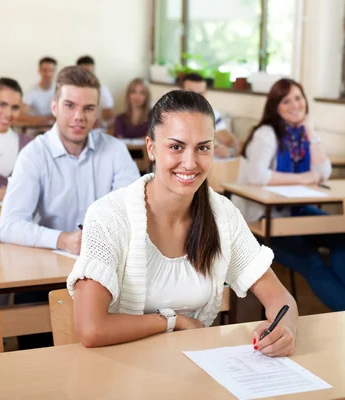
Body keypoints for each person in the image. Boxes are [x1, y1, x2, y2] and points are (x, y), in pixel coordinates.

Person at [67, 90, 298, 353]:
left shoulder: (223, 214)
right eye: (176, 147)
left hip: (195, 369)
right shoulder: (108, 216)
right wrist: (170, 321)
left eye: (203, 148)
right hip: (121, 370)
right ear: (151, 148)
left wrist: (286, 328)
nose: (190, 163)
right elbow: (91, 329)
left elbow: (282, 299)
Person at [0, 66, 139, 349]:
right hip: (46, 276)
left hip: (107, 270)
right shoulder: (33, 155)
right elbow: (9, 225)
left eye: (89, 108)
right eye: (70, 106)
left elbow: (135, 210)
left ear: (98, 111)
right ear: (54, 107)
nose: (79, 116)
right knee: (41, 360)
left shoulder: (114, 150)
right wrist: (63, 239)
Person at [232, 78, 345, 318]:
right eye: (286, 101)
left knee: (342, 239)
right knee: (313, 262)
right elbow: (258, 176)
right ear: (275, 106)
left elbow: (323, 173)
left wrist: (310, 131)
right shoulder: (267, 134)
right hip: (260, 220)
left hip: (293, 211)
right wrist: (301, 178)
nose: (295, 105)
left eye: (298, 98)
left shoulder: (302, 134)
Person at [182, 73, 240, 159]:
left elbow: (231, 141)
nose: (196, 98)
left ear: (206, 93)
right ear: (181, 91)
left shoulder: (211, 114)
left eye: (200, 94)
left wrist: (230, 151)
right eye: (191, 93)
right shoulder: (168, 113)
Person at [76, 55, 114, 127]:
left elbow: (110, 118)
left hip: (95, 131)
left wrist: (102, 123)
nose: (87, 76)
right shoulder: (71, 90)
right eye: (84, 72)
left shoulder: (101, 90)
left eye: (90, 72)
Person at [18, 57, 57, 126]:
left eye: (51, 70)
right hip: (37, 129)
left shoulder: (60, 90)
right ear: (39, 71)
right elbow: (21, 115)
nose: (48, 74)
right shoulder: (31, 91)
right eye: (45, 70)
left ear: (55, 72)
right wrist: (46, 119)